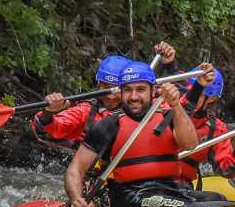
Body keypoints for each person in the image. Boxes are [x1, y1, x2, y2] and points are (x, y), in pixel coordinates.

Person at [64, 61, 204, 207]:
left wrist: (175, 105)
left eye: (140, 90)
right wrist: (76, 198)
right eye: (128, 90)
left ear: (153, 91)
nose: (134, 96)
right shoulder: (108, 126)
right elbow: (75, 170)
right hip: (128, 201)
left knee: (217, 198)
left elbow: (190, 144)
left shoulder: (169, 117)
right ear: (121, 92)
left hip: (168, 191)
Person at [33, 41, 185, 151]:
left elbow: (186, 103)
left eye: (117, 90)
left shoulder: (148, 105)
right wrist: (48, 113)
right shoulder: (86, 112)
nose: (111, 96)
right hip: (102, 184)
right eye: (106, 88)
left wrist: (170, 65)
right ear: (98, 84)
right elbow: (45, 132)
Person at [172, 65, 235, 200]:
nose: (187, 96)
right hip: (150, 179)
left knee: (217, 199)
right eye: (185, 90)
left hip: (180, 186)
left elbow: (227, 170)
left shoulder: (215, 128)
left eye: (196, 93)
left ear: (211, 99)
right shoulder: (166, 106)